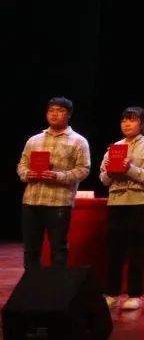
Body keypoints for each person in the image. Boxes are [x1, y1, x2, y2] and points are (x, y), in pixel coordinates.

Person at [16, 96, 91, 270]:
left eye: (60, 111)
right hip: (31, 201)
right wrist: (28, 174)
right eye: (51, 110)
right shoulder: (34, 140)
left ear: (69, 114)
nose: (54, 114)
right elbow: (21, 165)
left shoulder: (78, 141)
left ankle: (58, 285)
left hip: (59, 202)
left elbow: (83, 170)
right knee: (30, 249)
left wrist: (58, 176)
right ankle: (32, 283)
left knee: (58, 249)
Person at [99, 107, 144, 311]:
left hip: (139, 202)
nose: (127, 124)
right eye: (124, 120)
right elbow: (103, 179)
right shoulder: (114, 148)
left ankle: (135, 295)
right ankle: (112, 293)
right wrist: (110, 171)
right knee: (114, 251)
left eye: (132, 120)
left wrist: (129, 168)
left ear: (141, 124)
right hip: (116, 202)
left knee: (136, 251)